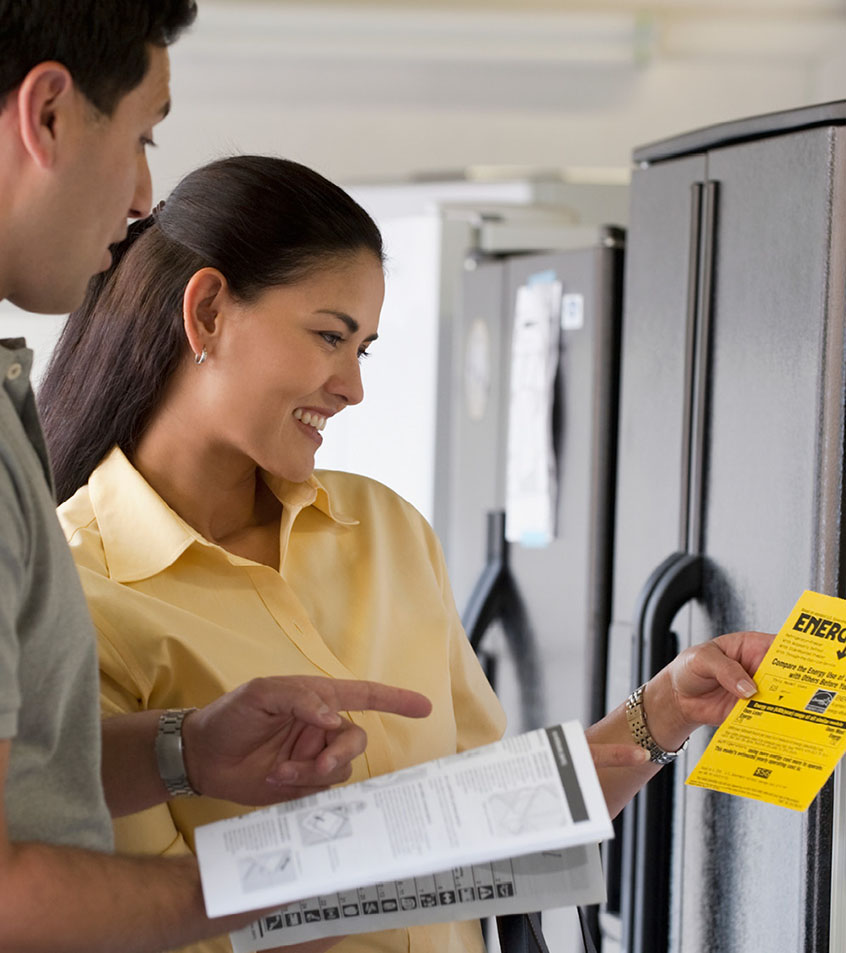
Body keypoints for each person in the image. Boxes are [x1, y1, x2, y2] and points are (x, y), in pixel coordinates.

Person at [38, 152, 774, 953]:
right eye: (330, 336)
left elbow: (498, 825)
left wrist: (666, 710)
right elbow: (147, 926)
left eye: (365, 349)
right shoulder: (77, 591)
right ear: (209, 311)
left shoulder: (382, 527)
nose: (353, 386)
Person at [0, 5, 433, 952]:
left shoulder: (388, 526)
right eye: (143, 135)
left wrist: (184, 749)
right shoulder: (89, 566)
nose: (141, 194)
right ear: (47, 115)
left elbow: (34, 785)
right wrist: (314, 871)